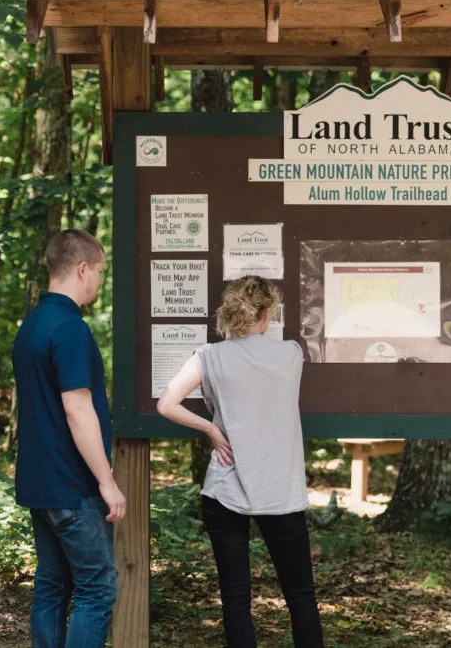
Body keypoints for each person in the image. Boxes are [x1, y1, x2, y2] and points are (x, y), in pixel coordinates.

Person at [157, 276, 323, 647]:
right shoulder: (291, 354)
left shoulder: (209, 357)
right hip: (280, 491)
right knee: (301, 598)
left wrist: (212, 431)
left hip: (225, 488)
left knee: (235, 600)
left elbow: (166, 404)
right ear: (265, 314)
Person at [12, 229, 126, 647]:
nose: (99, 280)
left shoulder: (32, 325)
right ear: (82, 269)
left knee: (52, 585)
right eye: (98, 271)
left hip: (39, 483)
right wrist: (106, 480)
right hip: (72, 487)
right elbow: (78, 410)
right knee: (97, 589)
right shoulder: (71, 329)